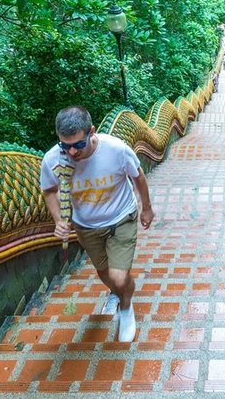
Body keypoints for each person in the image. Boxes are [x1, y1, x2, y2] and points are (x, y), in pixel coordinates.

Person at [40, 106, 154, 342]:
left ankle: (126, 308)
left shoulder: (116, 150)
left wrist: (147, 208)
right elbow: (49, 190)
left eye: (78, 145)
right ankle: (118, 293)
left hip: (122, 217)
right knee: (106, 275)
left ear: (91, 132)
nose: (72, 152)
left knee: (119, 277)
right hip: (86, 227)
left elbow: (138, 175)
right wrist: (58, 220)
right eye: (65, 145)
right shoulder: (53, 159)